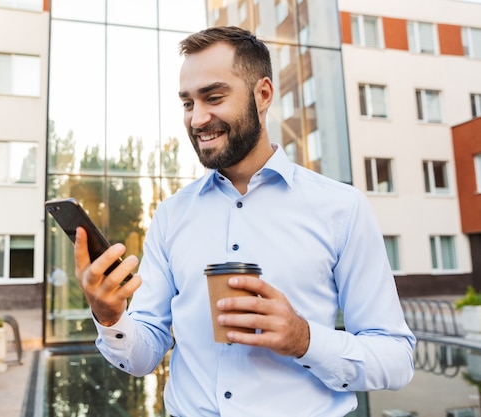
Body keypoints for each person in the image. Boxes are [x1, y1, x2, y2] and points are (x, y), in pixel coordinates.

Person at [73, 26, 416, 417]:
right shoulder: (171, 216)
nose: (198, 118)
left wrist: (304, 339)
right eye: (187, 103)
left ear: (263, 94)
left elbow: (396, 359)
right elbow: (143, 354)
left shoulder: (341, 208)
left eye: (213, 97)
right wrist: (111, 316)